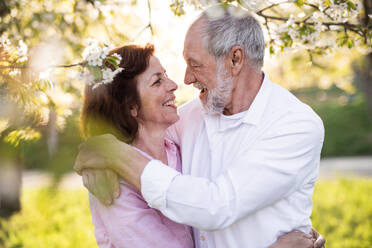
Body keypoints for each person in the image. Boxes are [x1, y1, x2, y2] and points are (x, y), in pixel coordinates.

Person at [75, 4, 325, 248]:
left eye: (195, 64)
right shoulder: (189, 117)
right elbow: (130, 131)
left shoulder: (295, 124)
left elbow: (217, 206)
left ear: (235, 59)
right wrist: (100, 153)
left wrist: (115, 155)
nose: (185, 79)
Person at [80, 44, 194, 247]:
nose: (174, 85)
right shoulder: (114, 180)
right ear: (131, 106)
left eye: (165, 76)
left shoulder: (178, 148)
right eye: (157, 81)